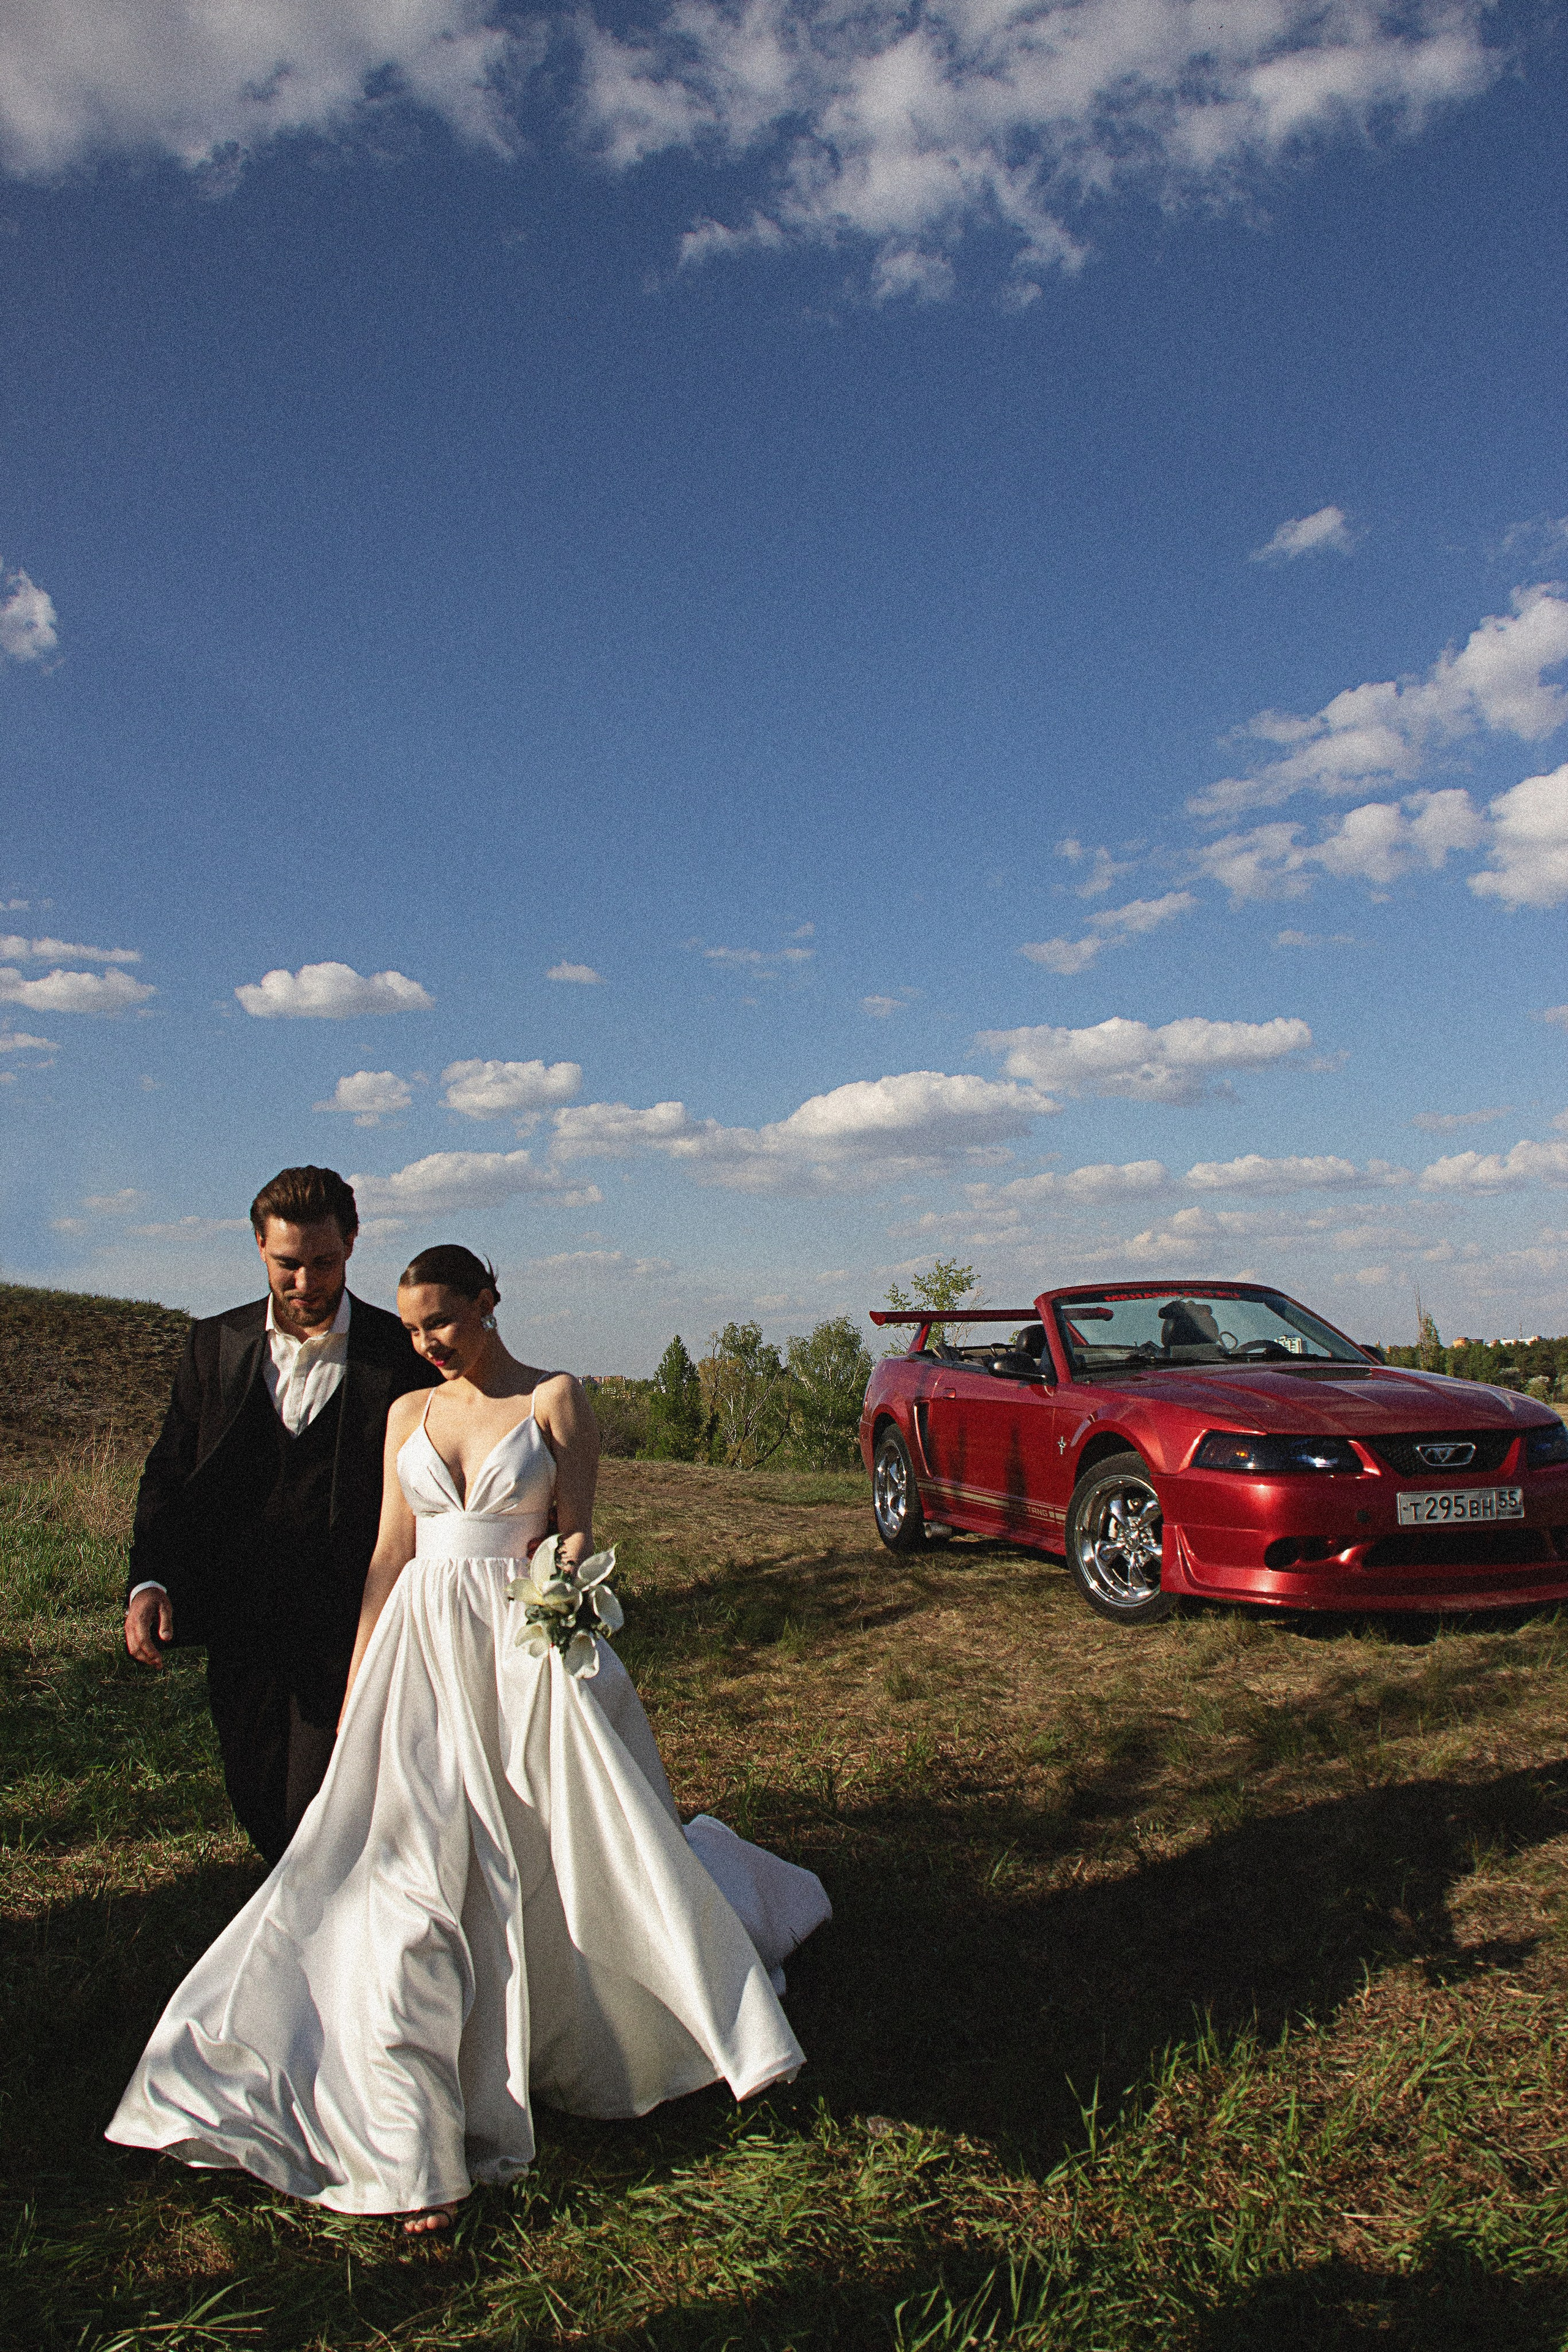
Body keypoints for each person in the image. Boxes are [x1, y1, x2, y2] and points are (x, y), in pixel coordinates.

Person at [108, 1245, 831, 2232]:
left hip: (521, 1647)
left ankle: (617, 2013)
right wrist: (366, 1678)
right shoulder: (411, 1412)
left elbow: (577, 1529)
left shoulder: (555, 1400)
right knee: (401, 1865)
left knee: (547, 1846)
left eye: (440, 1322)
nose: (424, 1344)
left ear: (489, 1303)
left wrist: (558, 1590)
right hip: (419, 1648)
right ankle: (388, 2100)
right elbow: (390, 1553)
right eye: (410, 1328)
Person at [123, 1166, 438, 1865]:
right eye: (287, 1264)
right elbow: (170, 1473)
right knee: (258, 1792)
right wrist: (150, 1581)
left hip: (352, 1620)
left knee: (315, 1805)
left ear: (352, 1245)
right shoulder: (214, 1345)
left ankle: (328, 1942)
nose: (305, 1283)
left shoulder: (400, 1356)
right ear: (259, 1247)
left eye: (323, 1263)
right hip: (241, 1615)